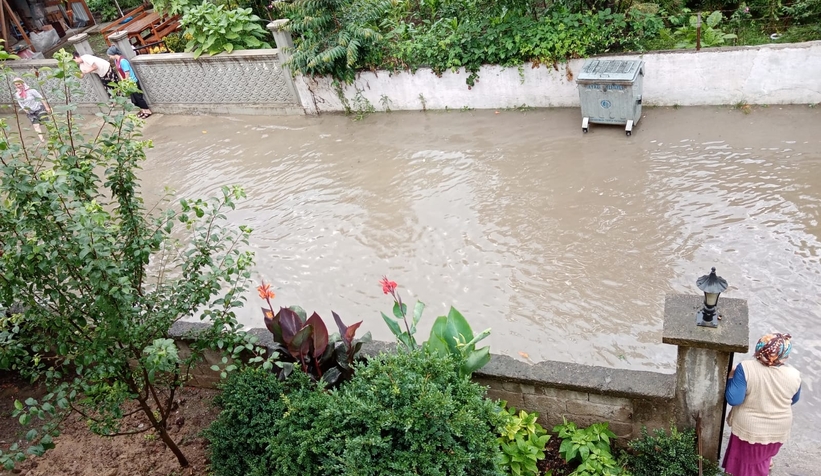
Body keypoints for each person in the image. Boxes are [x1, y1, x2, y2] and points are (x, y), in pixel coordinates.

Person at [724, 333, 802, 476]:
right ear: (785, 357)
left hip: (751, 429)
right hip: (779, 429)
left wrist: (730, 377)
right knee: (765, 453)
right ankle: (766, 461)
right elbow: (793, 400)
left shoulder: (745, 368)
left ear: (759, 349)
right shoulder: (795, 375)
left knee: (750, 465)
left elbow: (734, 399)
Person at [106, 46, 152, 119]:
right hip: (127, 82)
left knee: (139, 98)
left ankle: (147, 111)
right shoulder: (116, 61)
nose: (110, 57)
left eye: (110, 55)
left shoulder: (123, 61)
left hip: (132, 82)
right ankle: (143, 110)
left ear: (113, 54)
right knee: (135, 99)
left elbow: (127, 73)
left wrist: (125, 82)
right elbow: (120, 72)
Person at [12, 77, 51, 142]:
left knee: (47, 123)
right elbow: (20, 103)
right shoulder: (17, 94)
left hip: (39, 109)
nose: (18, 86)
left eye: (19, 84)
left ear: (22, 83)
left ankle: (52, 135)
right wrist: (25, 109)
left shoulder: (32, 91)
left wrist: (47, 107)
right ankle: (42, 139)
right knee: (36, 125)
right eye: (16, 85)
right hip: (30, 112)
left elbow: (41, 98)